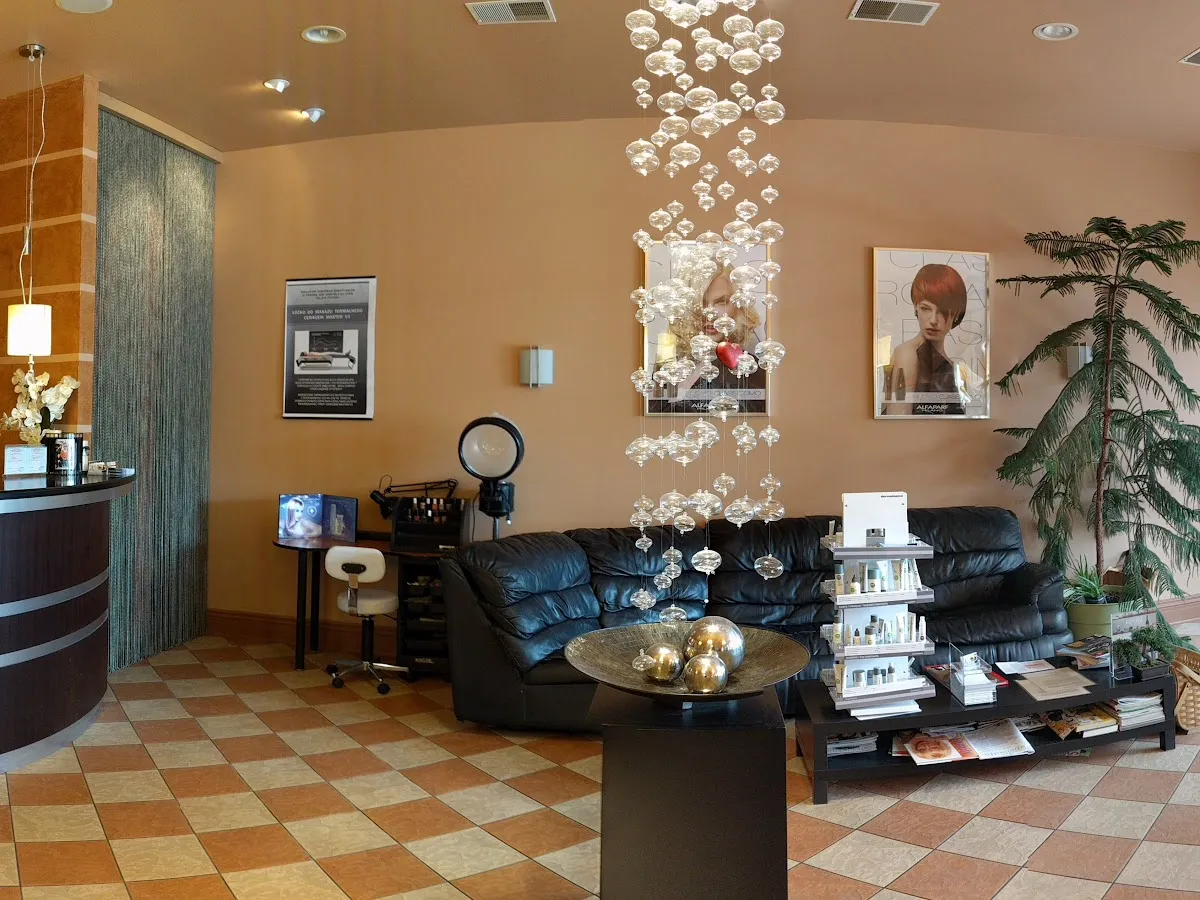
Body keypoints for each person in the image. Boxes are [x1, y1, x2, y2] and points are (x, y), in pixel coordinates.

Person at [649, 269, 767, 414]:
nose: (710, 314)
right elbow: (654, 414)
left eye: (722, 302)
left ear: (737, 306)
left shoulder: (752, 368)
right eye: (699, 302)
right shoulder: (667, 358)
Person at [884, 263, 968, 416]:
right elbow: (898, 420)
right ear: (915, 308)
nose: (933, 320)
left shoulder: (953, 368)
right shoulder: (908, 354)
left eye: (943, 311)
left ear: (956, 314)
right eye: (925, 308)